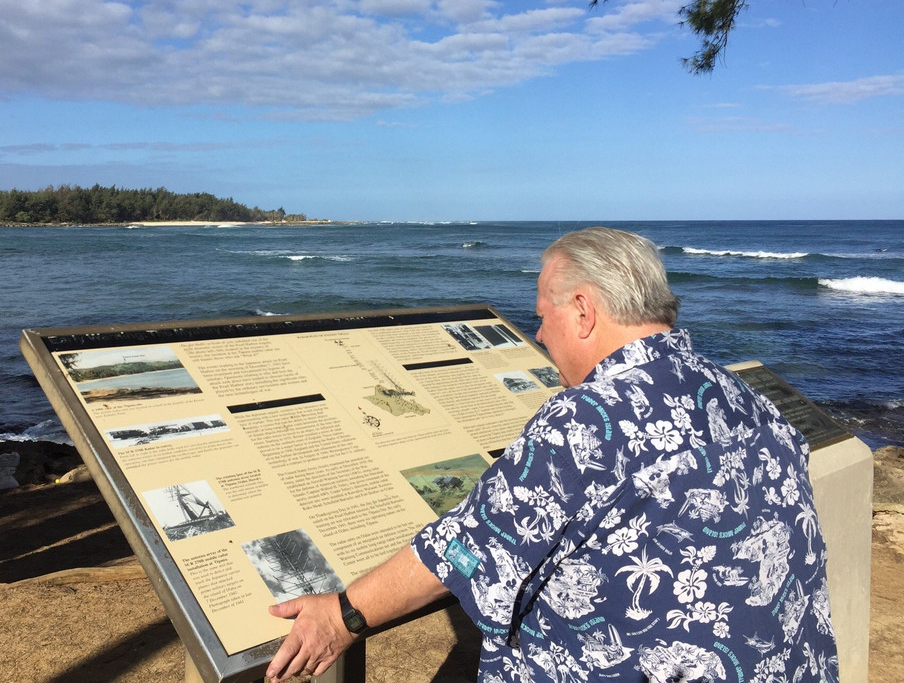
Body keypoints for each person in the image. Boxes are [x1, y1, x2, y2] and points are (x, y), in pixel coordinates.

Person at [266, 227, 838, 683]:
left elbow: (467, 548)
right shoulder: (750, 399)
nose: (538, 334)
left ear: (584, 311)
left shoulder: (590, 417)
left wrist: (343, 616)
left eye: (544, 314)